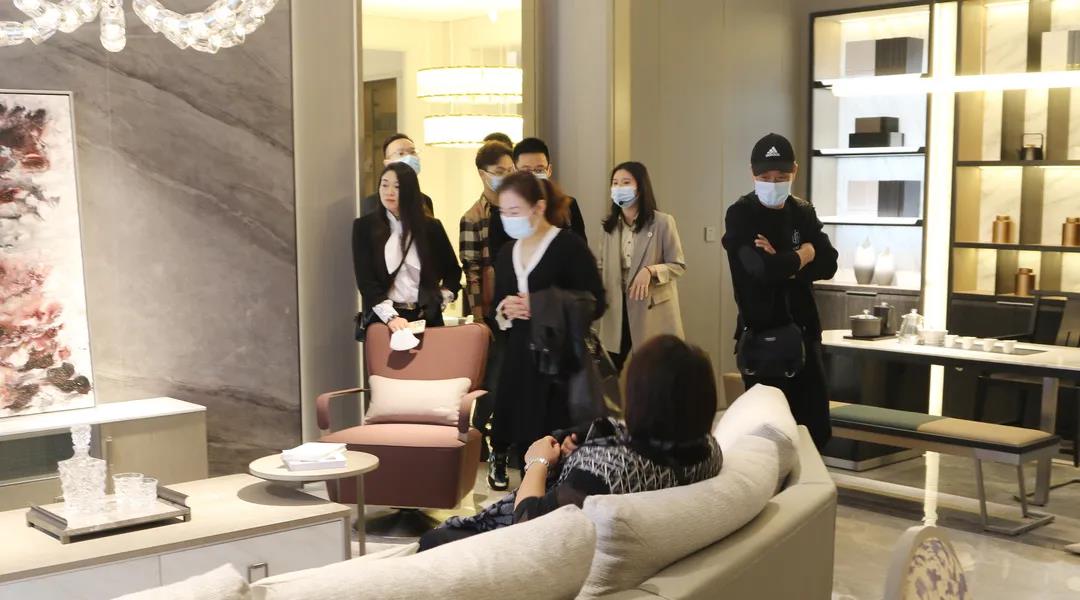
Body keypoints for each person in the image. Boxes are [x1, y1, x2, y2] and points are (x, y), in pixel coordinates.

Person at [418, 335, 723, 550]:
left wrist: (537, 462)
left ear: (641, 398)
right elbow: (629, 435)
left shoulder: (607, 469)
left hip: (517, 547)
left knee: (434, 541)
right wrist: (581, 446)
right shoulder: (707, 452)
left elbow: (529, 525)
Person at [721, 133, 838, 449]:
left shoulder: (803, 211)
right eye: (765, 178)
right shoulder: (741, 214)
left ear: (794, 172)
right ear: (752, 173)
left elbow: (829, 263)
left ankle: (809, 481)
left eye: (781, 177)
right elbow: (760, 270)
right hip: (762, 337)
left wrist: (784, 260)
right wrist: (804, 254)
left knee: (815, 429)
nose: (773, 184)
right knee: (768, 433)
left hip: (804, 333)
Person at [489, 171, 606, 488]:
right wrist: (506, 309)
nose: (508, 218)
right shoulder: (507, 253)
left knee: (557, 446)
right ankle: (526, 502)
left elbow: (596, 301)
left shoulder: (568, 246)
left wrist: (542, 304)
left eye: (515, 211)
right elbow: (498, 304)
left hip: (559, 361)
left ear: (538, 207)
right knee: (524, 446)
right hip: (519, 357)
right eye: (503, 212)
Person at [459, 141, 517, 489]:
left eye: (510, 170)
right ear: (483, 175)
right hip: (493, 314)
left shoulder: (520, 209)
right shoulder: (474, 217)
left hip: (523, 309)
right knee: (493, 384)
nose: (506, 176)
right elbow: (472, 273)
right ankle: (481, 446)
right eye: (499, 172)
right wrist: (481, 321)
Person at [596, 161, 686, 371]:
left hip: (651, 310)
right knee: (605, 371)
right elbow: (601, 267)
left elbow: (678, 265)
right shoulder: (609, 227)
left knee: (654, 372)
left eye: (626, 182)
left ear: (640, 187)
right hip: (617, 309)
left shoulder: (662, 222)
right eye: (615, 183)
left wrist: (651, 271)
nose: (619, 188)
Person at [353, 162, 461, 330]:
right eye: (384, 185)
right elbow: (366, 283)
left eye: (397, 187)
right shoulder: (365, 227)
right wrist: (391, 317)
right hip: (384, 320)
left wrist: (440, 298)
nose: (389, 192)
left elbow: (453, 271)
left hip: (426, 317)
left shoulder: (431, 227)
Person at [512, 137, 587, 243]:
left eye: (539, 170)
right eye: (526, 171)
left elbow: (581, 247)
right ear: (514, 171)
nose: (533, 176)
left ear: (549, 170)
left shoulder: (568, 205)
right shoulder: (506, 211)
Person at [360, 133, 434, 217]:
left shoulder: (425, 200)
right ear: (387, 163)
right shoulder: (373, 203)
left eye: (412, 152)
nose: (409, 157)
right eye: (401, 153)